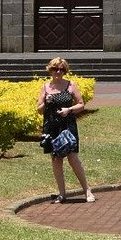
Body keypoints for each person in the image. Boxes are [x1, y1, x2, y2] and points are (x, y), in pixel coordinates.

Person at [37, 57, 95, 203]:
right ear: (50, 70)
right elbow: (39, 110)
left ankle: (87, 190)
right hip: (52, 127)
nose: (58, 72)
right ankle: (62, 193)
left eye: (62, 69)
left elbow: (81, 104)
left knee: (73, 158)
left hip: (67, 126)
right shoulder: (45, 87)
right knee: (56, 159)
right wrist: (45, 102)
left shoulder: (70, 85)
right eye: (55, 69)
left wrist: (69, 109)